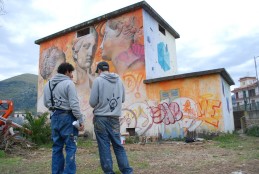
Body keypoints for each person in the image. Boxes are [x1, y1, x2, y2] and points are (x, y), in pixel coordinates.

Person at [89, 61, 133, 174]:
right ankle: (127, 171)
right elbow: (122, 99)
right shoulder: (119, 80)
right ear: (108, 69)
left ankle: (109, 172)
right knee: (118, 145)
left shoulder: (98, 80)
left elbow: (92, 102)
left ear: (99, 70)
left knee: (104, 146)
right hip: (114, 118)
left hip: (101, 118)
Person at [43, 62, 84, 174]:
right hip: (68, 118)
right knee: (71, 147)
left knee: (57, 147)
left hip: (54, 117)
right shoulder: (68, 83)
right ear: (67, 71)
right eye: (71, 73)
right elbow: (74, 105)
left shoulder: (48, 84)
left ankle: (56, 172)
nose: (72, 75)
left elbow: (46, 103)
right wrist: (80, 120)